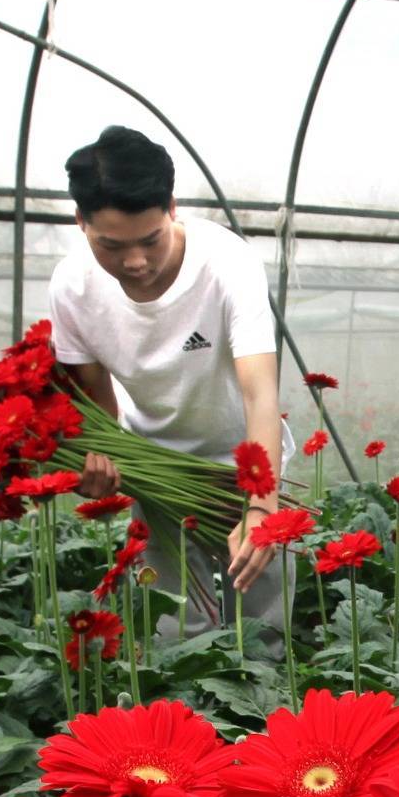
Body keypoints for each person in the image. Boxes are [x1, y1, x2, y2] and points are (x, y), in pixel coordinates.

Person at [53, 124, 289, 640]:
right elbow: (98, 410)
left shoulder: (227, 263)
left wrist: (261, 506)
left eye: (149, 240)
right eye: (110, 245)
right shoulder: (72, 289)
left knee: (264, 633)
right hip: (154, 475)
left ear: (172, 208)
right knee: (173, 630)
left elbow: (260, 393)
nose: (134, 262)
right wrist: (100, 461)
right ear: (80, 222)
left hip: (245, 466)